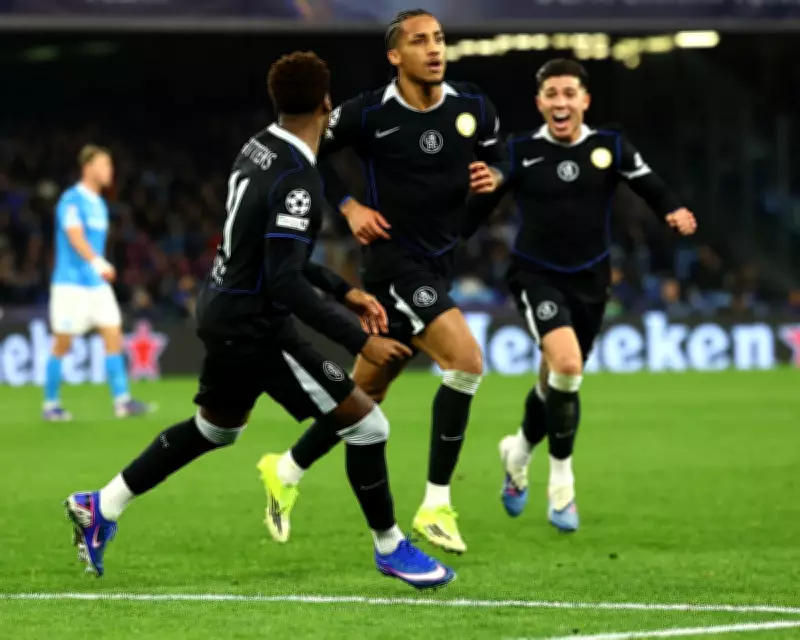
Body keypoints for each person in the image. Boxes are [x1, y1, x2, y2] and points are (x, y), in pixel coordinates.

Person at [63, 51, 455, 590]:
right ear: (327, 103)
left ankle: (100, 505)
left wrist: (344, 290)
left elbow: (269, 253)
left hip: (223, 306)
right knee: (368, 426)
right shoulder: (298, 178)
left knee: (215, 429)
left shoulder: (259, 146)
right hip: (255, 324)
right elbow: (284, 281)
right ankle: (390, 548)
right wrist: (359, 341)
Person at [257, 8, 508, 555]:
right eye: (419, 41)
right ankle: (436, 505)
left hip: (438, 263)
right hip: (395, 264)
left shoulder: (472, 105)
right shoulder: (369, 112)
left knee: (363, 397)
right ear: (395, 55)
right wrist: (348, 205)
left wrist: (495, 175)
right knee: (465, 362)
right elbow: (304, 150)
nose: (434, 49)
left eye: (439, 39)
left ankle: (286, 468)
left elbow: (500, 158)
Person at [462, 58, 698, 532]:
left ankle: (517, 453)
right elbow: (487, 193)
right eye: (551, 94)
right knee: (568, 367)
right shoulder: (522, 149)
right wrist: (442, 240)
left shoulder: (610, 146)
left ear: (585, 100)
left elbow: (649, 183)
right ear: (539, 103)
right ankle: (562, 488)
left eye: (569, 93)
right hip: (536, 275)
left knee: (553, 381)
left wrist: (673, 210)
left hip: (591, 280)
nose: (561, 102)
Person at [44, 145, 151, 421]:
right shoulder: (71, 200)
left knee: (113, 334)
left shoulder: (100, 204)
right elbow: (74, 236)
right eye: (104, 165)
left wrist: (98, 268)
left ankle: (122, 401)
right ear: (88, 166)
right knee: (62, 343)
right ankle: (51, 404)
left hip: (96, 286)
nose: (109, 171)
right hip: (70, 285)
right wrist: (98, 262)